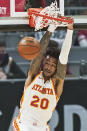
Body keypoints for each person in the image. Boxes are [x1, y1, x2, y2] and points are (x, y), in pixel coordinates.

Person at [13, 21, 74, 131]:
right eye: (47, 63)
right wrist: (51, 28)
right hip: (24, 125)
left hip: (42, 127)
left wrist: (69, 31)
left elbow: (63, 58)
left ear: (56, 68)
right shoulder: (34, 75)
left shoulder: (56, 82)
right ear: (43, 63)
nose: (48, 67)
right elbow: (39, 52)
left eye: (52, 65)